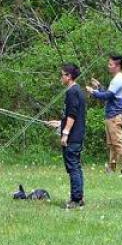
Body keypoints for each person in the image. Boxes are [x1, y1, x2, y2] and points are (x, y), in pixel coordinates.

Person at [47, 63, 86, 210]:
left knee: (73, 167)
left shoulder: (72, 92)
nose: (60, 78)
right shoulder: (75, 91)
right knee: (75, 166)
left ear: (69, 77)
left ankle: (76, 199)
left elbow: (72, 115)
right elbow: (70, 116)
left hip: (73, 137)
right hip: (75, 133)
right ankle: (79, 197)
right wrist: (59, 123)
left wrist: (65, 134)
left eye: (62, 75)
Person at [85, 54, 122, 175]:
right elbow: (110, 95)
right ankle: (111, 168)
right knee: (112, 144)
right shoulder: (116, 79)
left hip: (115, 117)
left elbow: (107, 96)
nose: (108, 66)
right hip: (111, 116)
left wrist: (93, 92)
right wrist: (99, 87)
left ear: (118, 66)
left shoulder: (118, 79)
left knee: (117, 143)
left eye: (111, 64)